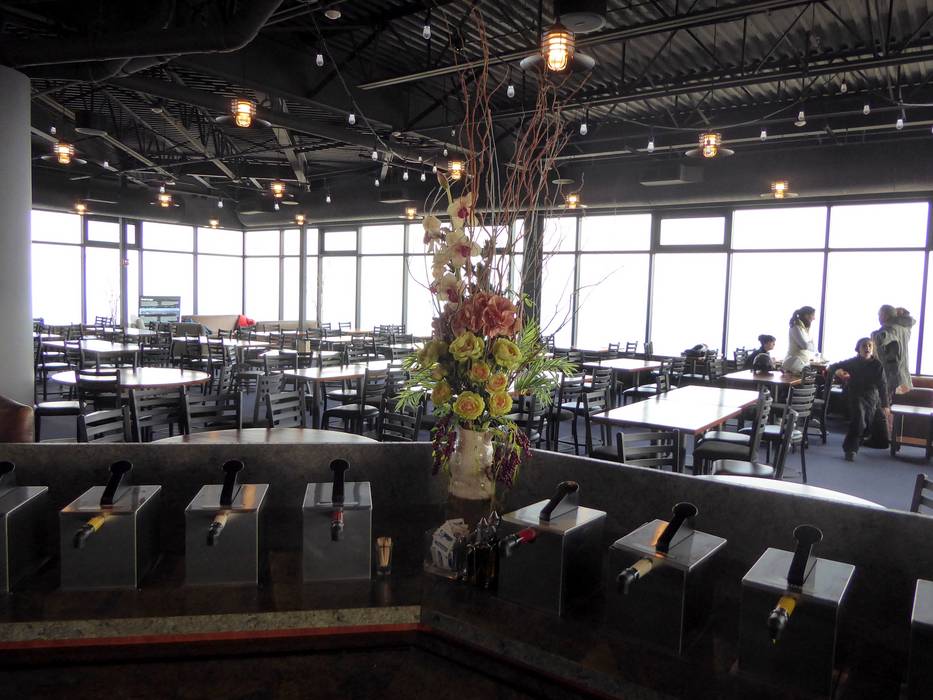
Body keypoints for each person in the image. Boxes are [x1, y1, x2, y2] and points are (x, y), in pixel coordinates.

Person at [829, 337, 890, 462]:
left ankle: (858, 442)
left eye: (869, 346)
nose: (867, 348)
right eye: (864, 346)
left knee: (868, 424)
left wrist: (886, 404)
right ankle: (850, 449)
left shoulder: (877, 365)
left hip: (872, 397)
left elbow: (882, 385)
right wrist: (839, 372)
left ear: (872, 349)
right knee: (859, 421)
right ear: (858, 349)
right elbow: (833, 367)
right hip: (856, 395)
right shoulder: (853, 362)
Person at [871, 304, 917, 402]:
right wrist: (903, 314)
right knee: (896, 405)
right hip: (904, 376)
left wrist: (874, 335)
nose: (878, 318)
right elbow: (908, 321)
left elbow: (881, 340)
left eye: (879, 315)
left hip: (891, 377)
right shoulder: (905, 329)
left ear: (885, 316)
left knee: (886, 405)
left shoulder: (889, 328)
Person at [782, 306, 816, 374]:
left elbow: (814, 348)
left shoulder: (804, 329)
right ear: (806, 315)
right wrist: (810, 345)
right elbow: (805, 346)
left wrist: (810, 345)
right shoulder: (795, 327)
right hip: (793, 364)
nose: (814, 318)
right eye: (813, 315)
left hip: (801, 364)